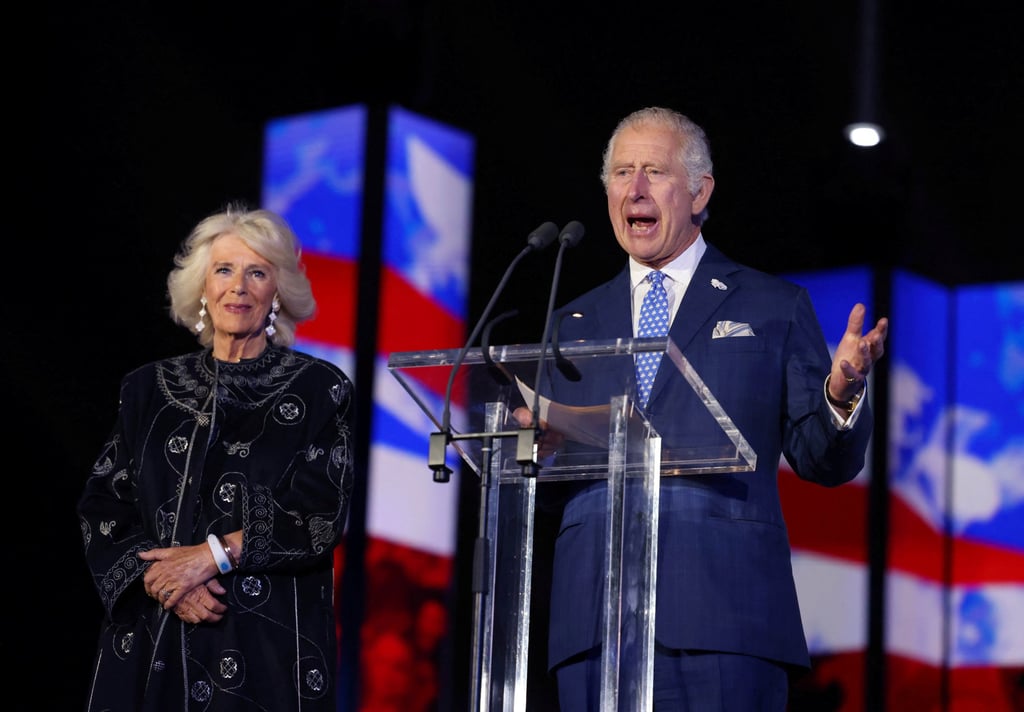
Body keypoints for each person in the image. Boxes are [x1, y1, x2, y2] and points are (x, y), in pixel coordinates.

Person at [516, 107, 889, 710]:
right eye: (620, 173)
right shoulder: (572, 321)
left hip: (726, 623)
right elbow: (546, 488)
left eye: (653, 172)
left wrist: (840, 396)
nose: (633, 189)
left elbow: (823, 459)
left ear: (699, 190)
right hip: (594, 628)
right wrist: (532, 447)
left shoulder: (771, 305)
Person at [77, 204, 356, 711]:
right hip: (151, 634)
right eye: (224, 270)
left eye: (257, 272)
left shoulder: (321, 389)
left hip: (262, 642)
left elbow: (319, 516)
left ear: (277, 292)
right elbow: (104, 506)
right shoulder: (145, 390)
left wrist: (211, 556)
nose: (239, 286)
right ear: (202, 287)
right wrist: (168, 586)